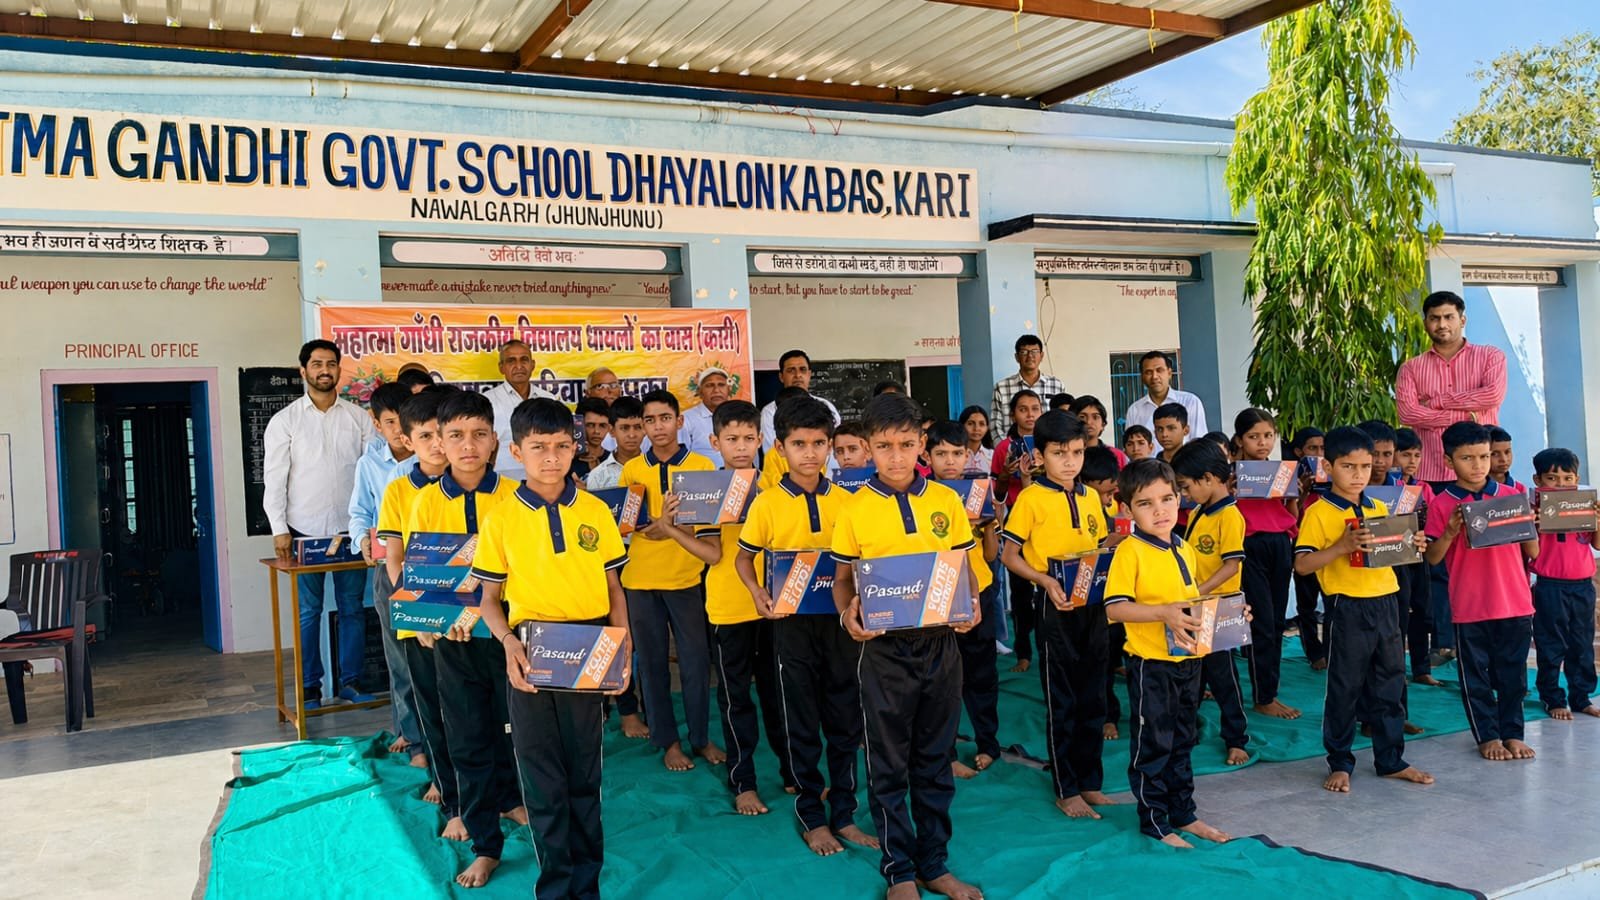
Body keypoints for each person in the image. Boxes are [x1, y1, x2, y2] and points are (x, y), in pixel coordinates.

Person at [472, 396, 631, 900]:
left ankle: (587, 887)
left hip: (589, 644)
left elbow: (613, 588)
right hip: (531, 651)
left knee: (585, 773)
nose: (551, 457)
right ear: (516, 451)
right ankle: (556, 888)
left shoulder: (595, 511)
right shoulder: (501, 518)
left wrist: (622, 645)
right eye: (538, 447)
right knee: (542, 778)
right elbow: (489, 598)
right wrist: (507, 644)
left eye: (562, 446)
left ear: (574, 448)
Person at [832, 393, 982, 900]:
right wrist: (849, 615)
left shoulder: (946, 501)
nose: (895, 456)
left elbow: (963, 568)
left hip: (941, 645)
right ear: (868, 448)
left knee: (935, 758)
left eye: (905, 444)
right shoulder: (853, 508)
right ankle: (899, 870)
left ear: (922, 442)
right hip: (884, 650)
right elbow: (842, 581)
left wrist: (972, 604)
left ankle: (934, 863)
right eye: (883, 446)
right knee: (888, 762)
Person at [736, 396, 877, 857]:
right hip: (790, 627)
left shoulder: (849, 501)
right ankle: (812, 817)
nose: (810, 453)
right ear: (780, 448)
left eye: (819, 443)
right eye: (799, 444)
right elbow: (743, 559)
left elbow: (860, 561)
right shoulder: (767, 503)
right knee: (800, 719)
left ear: (830, 446)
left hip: (841, 624)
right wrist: (758, 594)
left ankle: (845, 813)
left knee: (845, 718)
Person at [405, 389, 523, 888]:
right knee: (468, 736)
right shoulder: (424, 502)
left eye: (478, 434)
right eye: (455, 435)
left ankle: (515, 800)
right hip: (454, 641)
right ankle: (485, 843)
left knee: (515, 729)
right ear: (440, 441)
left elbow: (525, 569)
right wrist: (428, 621)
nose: (468, 446)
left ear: (495, 440)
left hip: (509, 635)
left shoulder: (517, 497)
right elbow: (419, 572)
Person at [658, 400, 789, 814]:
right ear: (715, 442)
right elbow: (713, 554)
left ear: (761, 440)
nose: (741, 446)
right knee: (736, 699)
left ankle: (792, 772)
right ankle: (743, 780)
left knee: (780, 695)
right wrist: (671, 530)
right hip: (729, 608)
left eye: (749, 438)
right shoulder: (707, 492)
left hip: (775, 606)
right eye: (732, 439)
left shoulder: (775, 487)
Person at [1294, 426, 1433, 793]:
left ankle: (1391, 760)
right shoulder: (1318, 512)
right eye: (1348, 466)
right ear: (1328, 467)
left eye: (1365, 466)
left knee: (1391, 681)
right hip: (1347, 606)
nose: (1358, 475)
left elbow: (1393, 552)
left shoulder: (1378, 506)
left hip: (1387, 601)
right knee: (1345, 685)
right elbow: (1303, 565)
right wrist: (1341, 547)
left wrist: (1413, 543)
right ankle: (1340, 761)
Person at [1102, 458, 1231, 848]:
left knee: (1183, 740)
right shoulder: (1130, 551)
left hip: (1188, 660)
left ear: (1179, 498)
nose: (1159, 510)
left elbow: (1190, 603)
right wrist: (1163, 613)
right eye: (1145, 503)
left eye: (1166, 499)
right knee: (1153, 744)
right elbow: (1115, 608)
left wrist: (1230, 613)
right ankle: (1155, 821)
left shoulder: (1183, 547)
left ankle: (1184, 813)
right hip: (1151, 665)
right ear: (1127, 510)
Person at [999, 410, 1117, 819]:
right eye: (1059, 453)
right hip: (1054, 605)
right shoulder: (1031, 499)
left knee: (1094, 696)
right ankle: (1066, 788)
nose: (1069, 461)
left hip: (1093, 604)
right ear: (1039, 455)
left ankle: (1090, 782)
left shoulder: (1090, 497)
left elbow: (1098, 546)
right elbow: (1009, 555)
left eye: (1077, 452)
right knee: (1062, 699)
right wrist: (1045, 581)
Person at [263, 339, 376, 710]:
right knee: (308, 613)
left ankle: (351, 682)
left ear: (339, 370)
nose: (324, 370)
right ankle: (310, 687)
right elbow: (274, 480)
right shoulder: (285, 421)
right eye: (317, 364)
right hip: (303, 531)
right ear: (303, 371)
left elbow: (371, 475)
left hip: (351, 530)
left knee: (352, 608)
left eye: (330, 364)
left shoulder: (359, 418)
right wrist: (279, 528)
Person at [620, 389, 723, 772]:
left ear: (679, 421)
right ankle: (669, 741)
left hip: (686, 579)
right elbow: (633, 527)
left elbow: (701, 526)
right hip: (640, 581)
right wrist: (666, 525)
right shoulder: (633, 470)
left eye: (665, 418)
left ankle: (700, 738)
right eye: (649, 420)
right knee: (652, 665)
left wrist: (663, 527)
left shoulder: (702, 466)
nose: (657, 426)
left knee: (696, 663)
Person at [1424, 421, 1538, 762]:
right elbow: (1432, 557)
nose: (1478, 465)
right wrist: (1450, 531)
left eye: (1484, 457)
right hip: (1470, 606)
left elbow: (1533, 552)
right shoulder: (1442, 503)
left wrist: (1529, 524)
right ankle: (1487, 736)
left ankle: (1513, 733)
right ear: (1448, 461)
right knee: (1475, 677)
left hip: (1515, 601)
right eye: (1467, 458)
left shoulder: (1511, 496)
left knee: (1514, 676)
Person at [376, 387, 459, 839]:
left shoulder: (470, 483)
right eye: (425, 436)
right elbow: (395, 558)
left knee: (466, 698)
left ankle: (483, 785)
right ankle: (437, 773)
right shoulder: (398, 490)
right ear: (408, 440)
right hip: (420, 607)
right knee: (423, 688)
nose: (436, 444)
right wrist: (417, 612)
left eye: (442, 434)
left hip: (469, 610)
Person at [347, 382, 425, 762]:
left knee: (434, 656)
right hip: (386, 568)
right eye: (390, 422)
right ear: (376, 424)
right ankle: (410, 735)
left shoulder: (430, 461)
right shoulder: (369, 464)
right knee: (399, 657)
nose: (398, 429)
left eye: (403, 420)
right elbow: (359, 512)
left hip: (430, 567)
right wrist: (361, 538)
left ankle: (433, 734)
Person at [926, 421, 1002, 779]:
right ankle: (948, 751)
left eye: (957, 453)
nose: (950, 461)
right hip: (940, 595)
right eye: (941, 453)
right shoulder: (923, 496)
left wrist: (989, 524)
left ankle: (988, 743)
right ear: (927, 457)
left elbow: (990, 555)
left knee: (982, 673)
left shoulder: (978, 493)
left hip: (979, 591)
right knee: (943, 679)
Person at [1171, 439, 1252, 766]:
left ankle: (1236, 738)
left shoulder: (1230, 516)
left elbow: (1231, 566)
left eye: (1186, 486)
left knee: (1223, 677)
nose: (1184, 494)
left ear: (1207, 478)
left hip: (1218, 608)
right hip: (1196, 606)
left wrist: (1197, 591)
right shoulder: (1198, 512)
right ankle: (1186, 730)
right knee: (1192, 674)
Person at [1396, 291, 1508, 485]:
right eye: (1434, 318)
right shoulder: (1411, 368)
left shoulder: (1490, 356)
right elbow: (1408, 414)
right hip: (1431, 472)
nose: (1442, 325)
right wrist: (1463, 417)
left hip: (1483, 471)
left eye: (1449, 317)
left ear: (1462, 320)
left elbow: (1492, 395)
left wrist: (1438, 402)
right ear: (1425, 323)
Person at [1232, 408, 1300, 720]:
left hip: (1280, 543)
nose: (1262, 442)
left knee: (1276, 622)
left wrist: (1295, 494)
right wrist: (1231, 489)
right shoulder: (1231, 475)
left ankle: (1270, 689)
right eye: (1254, 436)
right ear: (1240, 440)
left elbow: (1292, 514)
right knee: (1261, 621)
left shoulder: (1282, 472)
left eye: (1268, 436)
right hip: (1249, 545)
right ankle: (1264, 696)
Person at [1357, 420, 1423, 734]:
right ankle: (1368, 716)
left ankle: (1397, 713)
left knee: (1395, 644)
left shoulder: (1403, 491)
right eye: (1375, 454)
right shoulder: (1353, 491)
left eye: (1387, 454)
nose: (1381, 461)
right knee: (1366, 649)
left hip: (1398, 570)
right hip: (1362, 577)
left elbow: (1416, 527)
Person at [1529, 448, 1600, 720]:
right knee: (1550, 644)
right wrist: (1533, 522)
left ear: (1577, 479)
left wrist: (1597, 521)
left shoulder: (1583, 506)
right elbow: (1530, 550)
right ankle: (1552, 698)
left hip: (1582, 585)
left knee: (1581, 643)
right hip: (1550, 586)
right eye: (1552, 479)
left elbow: (1597, 544)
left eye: (1568, 479)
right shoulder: (1533, 510)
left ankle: (1581, 697)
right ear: (1538, 481)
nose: (1561, 485)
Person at [992, 389, 1043, 672]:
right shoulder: (1004, 448)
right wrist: (1006, 474)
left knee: (1049, 584)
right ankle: (1024, 652)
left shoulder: (1048, 444)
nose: (1030, 414)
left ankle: (1049, 648)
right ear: (1013, 415)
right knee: (1021, 589)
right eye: (1023, 409)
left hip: (1047, 520)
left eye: (1035, 408)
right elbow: (997, 493)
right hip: (1016, 520)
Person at [1081, 446, 1126, 739]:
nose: (1110, 499)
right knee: (1095, 662)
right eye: (1105, 493)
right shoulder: (1079, 506)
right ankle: (1102, 713)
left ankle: (1113, 714)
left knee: (1111, 657)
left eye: (1113, 492)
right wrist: (1111, 541)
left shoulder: (1114, 509)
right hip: (1088, 596)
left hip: (1117, 596)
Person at [1393, 427, 1440, 686]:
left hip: (1418, 554)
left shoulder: (1424, 488)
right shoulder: (1386, 488)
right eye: (1405, 454)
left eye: (1417, 455)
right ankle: (1395, 667)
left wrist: (1426, 536)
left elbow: (1432, 521)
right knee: (1398, 613)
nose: (1412, 461)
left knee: (1423, 610)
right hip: (1392, 557)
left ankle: (1422, 668)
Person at [487, 340, 560, 476]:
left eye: (524, 360)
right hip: (502, 478)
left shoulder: (548, 399)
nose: (519, 366)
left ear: (532, 365)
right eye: (511, 361)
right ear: (501, 367)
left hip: (543, 475)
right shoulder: (488, 400)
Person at [1287, 426, 1328, 667]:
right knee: (1307, 603)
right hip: (1304, 546)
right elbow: (1291, 519)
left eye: (1323, 448)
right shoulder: (1288, 479)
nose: (1319, 454)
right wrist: (1301, 492)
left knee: (1332, 600)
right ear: (1299, 452)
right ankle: (1314, 653)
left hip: (1329, 546)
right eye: (1313, 448)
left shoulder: (1333, 477)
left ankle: (1332, 648)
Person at [989, 334, 1064, 442]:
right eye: (1024, 352)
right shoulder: (1001, 388)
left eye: (1034, 351)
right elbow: (995, 426)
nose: (1030, 356)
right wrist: (1007, 448)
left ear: (1042, 355)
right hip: (1011, 448)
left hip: (1047, 448)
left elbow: (1062, 420)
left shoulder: (1056, 385)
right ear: (1017, 357)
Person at [760, 350, 841, 450]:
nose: (798, 375)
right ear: (781, 377)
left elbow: (836, 445)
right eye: (791, 370)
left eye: (803, 370)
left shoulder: (827, 406)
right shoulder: (770, 412)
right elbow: (772, 450)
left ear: (809, 374)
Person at [1124, 351, 1208, 437]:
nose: (1154, 376)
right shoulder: (1135, 410)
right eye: (1149, 372)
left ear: (1169, 373)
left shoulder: (1190, 402)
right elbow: (1131, 443)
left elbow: (1200, 441)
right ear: (1142, 377)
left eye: (1159, 370)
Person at [680, 366, 735, 466]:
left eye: (721, 385)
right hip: (700, 475)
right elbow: (682, 458)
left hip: (738, 475)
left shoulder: (739, 416)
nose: (716, 390)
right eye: (709, 385)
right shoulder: (686, 419)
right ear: (700, 392)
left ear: (729, 390)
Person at [586, 397, 644, 492]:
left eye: (638, 427)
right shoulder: (598, 475)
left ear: (645, 429)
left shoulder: (655, 469)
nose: (632, 435)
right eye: (624, 428)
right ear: (612, 431)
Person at [1068, 396, 1128, 469]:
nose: (1089, 422)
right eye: (1082, 417)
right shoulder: (1067, 454)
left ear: (1103, 424)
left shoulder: (1116, 455)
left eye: (1095, 417)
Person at [575, 396, 611, 475]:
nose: (596, 431)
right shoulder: (567, 461)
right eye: (590, 425)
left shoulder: (613, 461)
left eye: (602, 425)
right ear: (579, 425)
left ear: (609, 428)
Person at [957, 406, 993, 478]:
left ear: (987, 428)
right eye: (970, 423)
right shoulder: (955, 454)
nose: (976, 428)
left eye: (981, 424)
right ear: (961, 426)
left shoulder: (992, 455)